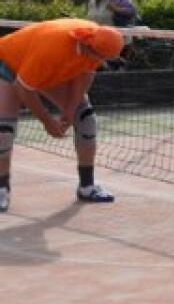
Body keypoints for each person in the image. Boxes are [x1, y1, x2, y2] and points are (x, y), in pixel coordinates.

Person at [0, 18, 126, 213]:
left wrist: (70, 109)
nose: (102, 62)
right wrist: (48, 122)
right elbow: (23, 88)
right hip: (8, 64)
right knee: (4, 130)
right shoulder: (52, 50)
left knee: (85, 118)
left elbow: (86, 73)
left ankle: (87, 186)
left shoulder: (95, 41)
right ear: (88, 46)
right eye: (101, 57)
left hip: (44, 69)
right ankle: (1, 189)